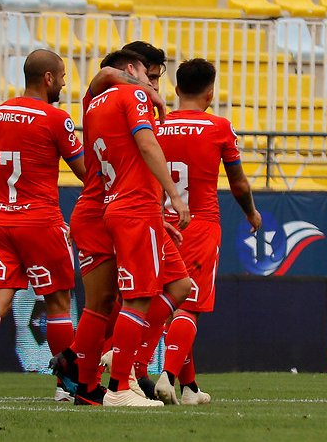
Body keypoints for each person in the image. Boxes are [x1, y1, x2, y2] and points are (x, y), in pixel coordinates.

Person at [0, 49, 86, 402]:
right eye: (61, 77)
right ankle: (66, 387)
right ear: (47, 79)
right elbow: (88, 174)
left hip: (1, 219)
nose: (63, 84)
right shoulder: (56, 119)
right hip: (41, 222)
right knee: (58, 301)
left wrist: (10, 201)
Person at [79, 48, 191, 407]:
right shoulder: (134, 93)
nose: (153, 82)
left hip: (118, 205)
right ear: (131, 69)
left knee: (178, 285)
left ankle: (114, 363)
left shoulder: (96, 103)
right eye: (150, 74)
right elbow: (145, 143)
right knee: (135, 297)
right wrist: (174, 195)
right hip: (133, 208)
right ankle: (118, 386)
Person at [153, 59, 262, 405]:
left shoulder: (157, 126)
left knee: (171, 303)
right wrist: (251, 213)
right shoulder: (218, 127)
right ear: (210, 91)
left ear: (175, 89)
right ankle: (167, 376)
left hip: (162, 223)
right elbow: (239, 183)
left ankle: (190, 388)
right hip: (198, 225)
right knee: (190, 307)